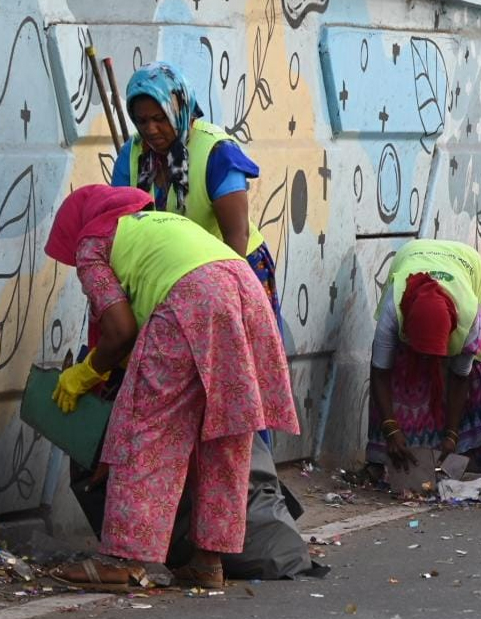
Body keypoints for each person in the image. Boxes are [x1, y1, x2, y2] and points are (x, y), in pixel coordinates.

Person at [44, 186, 297, 591]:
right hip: (245, 292)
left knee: (145, 429)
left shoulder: (92, 241)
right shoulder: (162, 223)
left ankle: (124, 559)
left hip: (192, 299)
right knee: (225, 436)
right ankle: (207, 561)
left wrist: (85, 373)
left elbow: (120, 330)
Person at [112, 62, 283, 334]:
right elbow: (120, 227)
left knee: (234, 364)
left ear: (180, 110)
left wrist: (225, 300)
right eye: (142, 121)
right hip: (172, 276)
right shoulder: (131, 156)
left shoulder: (217, 152)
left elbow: (236, 236)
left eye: (160, 118)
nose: (151, 129)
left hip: (232, 269)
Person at [367, 239, 481, 476]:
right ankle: (382, 457)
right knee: (403, 369)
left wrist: (452, 435)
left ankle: (471, 450)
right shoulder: (393, 309)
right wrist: (391, 429)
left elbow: (460, 377)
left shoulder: (471, 320)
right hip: (412, 253)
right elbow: (379, 371)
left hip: (469, 264)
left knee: (480, 368)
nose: (429, 362)